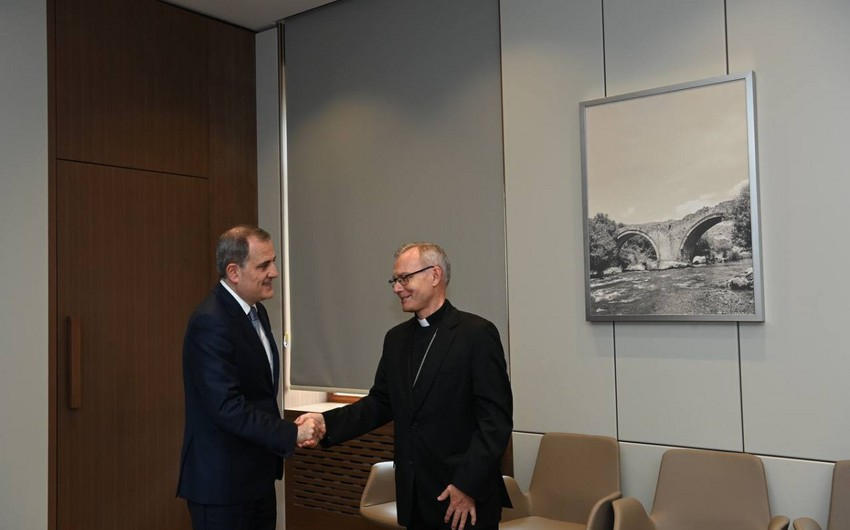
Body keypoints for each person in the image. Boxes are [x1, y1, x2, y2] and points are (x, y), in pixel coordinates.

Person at [297, 242, 513, 530]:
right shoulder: (396, 339)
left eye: (405, 278)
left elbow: (495, 422)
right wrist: (326, 423)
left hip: (462, 496)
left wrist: (466, 485)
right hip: (414, 495)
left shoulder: (476, 334)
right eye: (395, 280)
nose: (397, 288)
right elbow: (380, 402)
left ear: (435, 275)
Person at [177, 225, 322, 530]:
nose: (275, 272)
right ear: (234, 272)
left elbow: (259, 395)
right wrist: (290, 434)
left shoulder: (256, 312)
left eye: (274, 262)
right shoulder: (210, 322)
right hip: (222, 486)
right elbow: (227, 406)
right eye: (264, 265)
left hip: (256, 478)